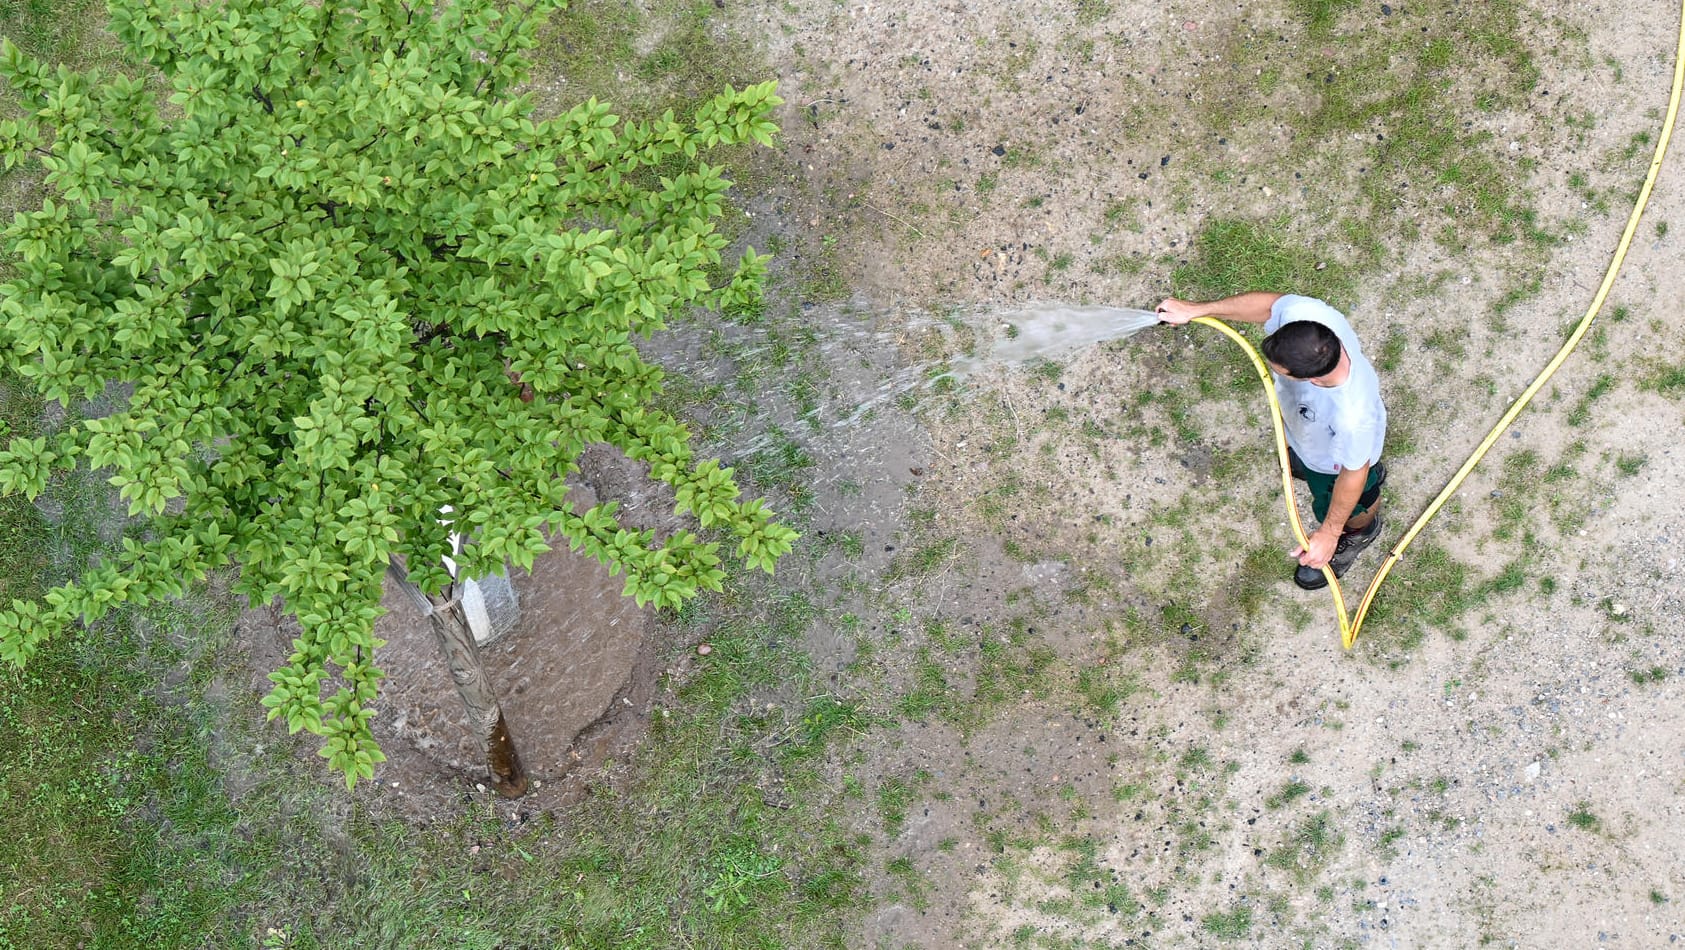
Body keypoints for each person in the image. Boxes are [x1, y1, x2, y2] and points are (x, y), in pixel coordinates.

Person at [1154, 292, 1388, 590]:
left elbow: (1354, 472)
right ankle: (1308, 461)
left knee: (1355, 496)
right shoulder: (1311, 317)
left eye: (1279, 370)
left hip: (1333, 465)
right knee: (1305, 455)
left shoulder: (1352, 418)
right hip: (1311, 437)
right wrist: (1195, 309)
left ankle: (1361, 531)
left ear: (1312, 380)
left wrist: (1329, 533)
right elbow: (1270, 306)